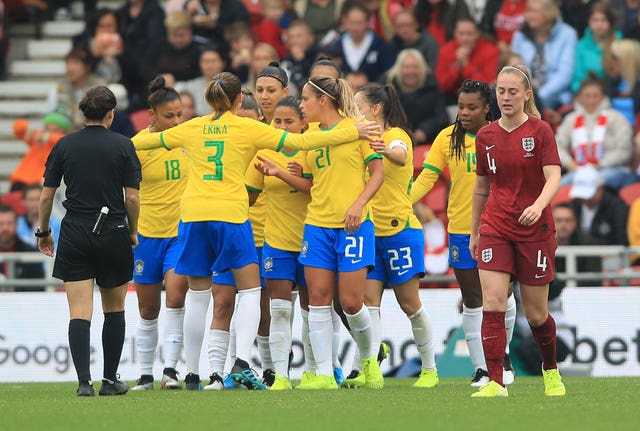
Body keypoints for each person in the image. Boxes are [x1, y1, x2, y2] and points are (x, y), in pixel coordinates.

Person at [131, 71, 381, 390]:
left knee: (197, 294)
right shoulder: (247, 127)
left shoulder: (190, 127)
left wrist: (131, 136)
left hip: (193, 214)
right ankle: (243, 361)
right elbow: (300, 141)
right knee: (250, 291)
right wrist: (352, 132)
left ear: (208, 100)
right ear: (239, 100)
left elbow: (143, 141)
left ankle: (190, 372)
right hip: (231, 214)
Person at [412, 79, 517, 387]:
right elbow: (428, 176)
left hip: (499, 227)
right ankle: (482, 367)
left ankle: (503, 352)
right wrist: (404, 202)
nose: (465, 113)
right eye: (460, 107)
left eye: (472, 107)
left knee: (502, 294)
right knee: (473, 299)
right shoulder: (447, 138)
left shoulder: (503, 133)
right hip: (460, 228)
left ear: (487, 108)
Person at [38, 85, 141, 397]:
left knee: (79, 311)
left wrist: (44, 232)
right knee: (115, 309)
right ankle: (110, 381)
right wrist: (133, 231)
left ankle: (84, 383)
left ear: (83, 113)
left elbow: (46, 197)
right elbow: (132, 198)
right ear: (111, 113)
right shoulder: (124, 145)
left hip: (76, 230)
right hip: (112, 229)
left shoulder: (64, 145)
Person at [470, 64, 565, 397]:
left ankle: (551, 370)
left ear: (527, 95)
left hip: (535, 229)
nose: (506, 97)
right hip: (496, 226)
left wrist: (538, 205)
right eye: (500, 91)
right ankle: (496, 382)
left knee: (537, 314)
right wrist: (475, 231)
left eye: (513, 92)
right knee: (493, 301)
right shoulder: (485, 136)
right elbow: (481, 187)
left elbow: (553, 176)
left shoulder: (540, 131)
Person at [296, 76, 385, 390]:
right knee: (318, 299)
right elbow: (312, 183)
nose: (300, 105)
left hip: (354, 226)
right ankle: (323, 375)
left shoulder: (359, 129)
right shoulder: (310, 135)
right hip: (317, 225)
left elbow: (378, 173)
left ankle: (369, 361)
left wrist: (359, 204)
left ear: (323, 101)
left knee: (350, 302)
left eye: (305, 99)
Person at [353, 82, 439, 389]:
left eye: (358, 108)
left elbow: (401, 156)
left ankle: (429, 368)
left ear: (376, 109)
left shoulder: (395, 135)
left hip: (400, 230)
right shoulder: (359, 140)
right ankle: (370, 368)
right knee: (367, 303)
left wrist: (383, 149)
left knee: (409, 303)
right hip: (370, 231)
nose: (355, 114)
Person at [245, 96, 311, 390]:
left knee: (314, 311)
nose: (282, 127)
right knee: (279, 309)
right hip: (277, 239)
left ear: (303, 123)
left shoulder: (313, 148)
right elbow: (248, 196)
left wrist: (284, 174)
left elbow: (319, 190)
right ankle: (280, 376)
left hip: (312, 239)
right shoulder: (263, 153)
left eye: (289, 122)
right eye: (277, 122)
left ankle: (316, 371)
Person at [130, 77, 189, 391]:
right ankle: (144, 374)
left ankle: (171, 370)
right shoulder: (138, 145)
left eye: (181, 114)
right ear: (151, 115)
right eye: (170, 116)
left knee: (176, 297)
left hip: (180, 234)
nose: (177, 121)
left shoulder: (188, 140)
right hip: (146, 236)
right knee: (148, 308)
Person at [556, 73, 635, 190]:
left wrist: (601, 164)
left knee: (593, 183)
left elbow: (624, 150)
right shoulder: (571, 119)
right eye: (587, 96)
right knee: (557, 187)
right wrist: (569, 163)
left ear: (603, 97)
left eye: (595, 96)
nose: (591, 100)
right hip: (579, 170)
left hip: (611, 170)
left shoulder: (617, 118)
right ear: (580, 98)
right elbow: (556, 146)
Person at [510, 0, 577, 110]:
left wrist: (538, 97)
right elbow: (513, 69)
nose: (529, 15)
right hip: (523, 98)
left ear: (549, 13)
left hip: (557, 100)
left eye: (535, 11)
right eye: (528, 11)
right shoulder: (520, 35)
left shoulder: (567, 34)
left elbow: (565, 74)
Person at [386, 49, 449, 145]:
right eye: (407, 67)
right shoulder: (388, 89)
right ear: (399, 69)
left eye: (415, 67)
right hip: (395, 143)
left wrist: (425, 129)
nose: (411, 72)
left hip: (427, 144)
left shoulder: (432, 87)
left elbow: (442, 118)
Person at [325, 0, 397, 82]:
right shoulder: (335, 44)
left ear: (367, 22)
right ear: (345, 22)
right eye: (352, 22)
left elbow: (389, 74)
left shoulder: (381, 45)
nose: (355, 28)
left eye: (359, 23)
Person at [435, 17, 501, 105]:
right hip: (451, 99)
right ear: (455, 34)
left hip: (481, 101)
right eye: (461, 34)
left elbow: (487, 87)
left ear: (478, 34)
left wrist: (466, 66)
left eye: (470, 34)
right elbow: (441, 86)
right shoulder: (446, 50)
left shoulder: (491, 51)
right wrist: (456, 67)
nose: (465, 38)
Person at [10, 107, 70, 191]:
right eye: (47, 129)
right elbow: (17, 128)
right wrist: (26, 127)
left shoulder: (63, 143)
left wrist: (45, 136)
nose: (50, 132)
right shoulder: (39, 138)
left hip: (38, 186)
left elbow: (61, 139)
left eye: (55, 130)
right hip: (20, 181)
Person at [568, 164, 629, 247]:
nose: (586, 200)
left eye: (589, 196)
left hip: (609, 255)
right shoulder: (574, 205)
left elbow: (622, 240)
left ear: (600, 188)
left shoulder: (616, 207)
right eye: (581, 196)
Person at [571, 2, 619, 94]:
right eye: (595, 20)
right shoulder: (581, 46)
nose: (599, 25)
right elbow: (576, 80)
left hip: (614, 95)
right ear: (589, 22)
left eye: (604, 20)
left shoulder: (619, 42)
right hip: (587, 95)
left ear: (610, 22)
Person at [0, 204, 45, 292]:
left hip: (23, 303)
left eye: (9, 223)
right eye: (1, 224)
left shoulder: (30, 252)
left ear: (17, 224)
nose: (5, 228)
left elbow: (38, 286)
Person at [16, 184, 61, 249]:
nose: (35, 203)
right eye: (31, 200)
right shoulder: (15, 223)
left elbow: (57, 249)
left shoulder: (56, 224)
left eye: (38, 199)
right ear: (23, 202)